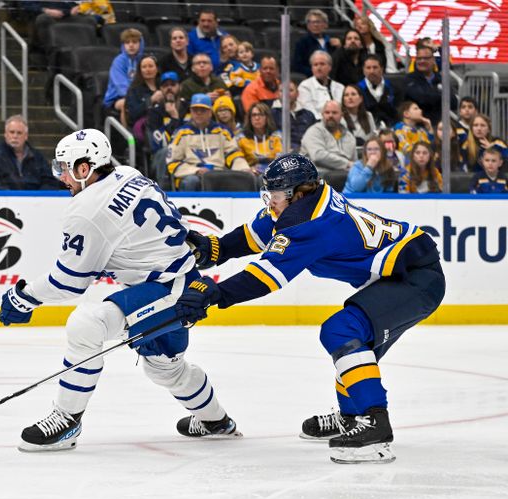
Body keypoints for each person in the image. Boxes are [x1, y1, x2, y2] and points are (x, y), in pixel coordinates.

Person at [175, 153, 445, 464]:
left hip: (417, 280)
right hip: (404, 274)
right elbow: (256, 233)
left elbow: (267, 275)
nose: (270, 202)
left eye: (275, 196)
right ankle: (352, 416)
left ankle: (376, 427)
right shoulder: (307, 203)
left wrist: (216, 293)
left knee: (342, 330)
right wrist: (218, 249)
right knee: (357, 345)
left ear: (295, 194)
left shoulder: (311, 223)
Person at [0, 127, 239, 452]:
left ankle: (66, 421)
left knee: (86, 326)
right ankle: (217, 422)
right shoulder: (128, 173)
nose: (61, 178)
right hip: (181, 282)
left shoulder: (86, 209)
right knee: (165, 369)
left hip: (167, 289)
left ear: (85, 168)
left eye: (65, 168)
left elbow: (69, 282)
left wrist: (23, 297)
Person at [166, 93, 250, 191]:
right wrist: (196, 170)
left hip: (219, 173)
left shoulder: (222, 131)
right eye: (195, 110)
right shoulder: (181, 133)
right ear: (191, 112)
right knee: (191, 181)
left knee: (245, 178)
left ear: (210, 112)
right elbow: (172, 162)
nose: (199, 113)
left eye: (203, 110)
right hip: (191, 174)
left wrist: (244, 169)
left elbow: (234, 154)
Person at [0, 114, 60, 190]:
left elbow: (50, 181)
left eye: (19, 133)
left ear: (26, 136)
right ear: (5, 134)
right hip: (4, 200)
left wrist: (39, 197)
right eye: (12, 132)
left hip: (35, 200)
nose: (15, 136)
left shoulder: (37, 156)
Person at [145, 71, 184, 187]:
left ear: (179, 87)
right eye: (165, 86)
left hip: (188, 152)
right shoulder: (155, 112)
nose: (169, 88)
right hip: (161, 155)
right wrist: (174, 118)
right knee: (168, 150)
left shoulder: (188, 107)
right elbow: (161, 142)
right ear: (160, 89)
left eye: (173, 85)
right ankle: (162, 190)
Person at [405, 44, 456, 125]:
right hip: (417, 126)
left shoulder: (441, 79)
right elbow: (422, 99)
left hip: (439, 126)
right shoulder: (409, 79)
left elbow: (453, 102)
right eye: (419, 58)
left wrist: (433, 94)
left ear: (433, 60)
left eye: (426, 58)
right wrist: (441, 94)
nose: (422, 61)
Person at [300, 100, 356, 172]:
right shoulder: (314, 131)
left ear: (342, 115)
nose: (330, 115)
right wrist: (346, 163)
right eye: (327, 112)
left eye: (334, 113)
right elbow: (318, 156)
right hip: (317, 176)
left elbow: (354, 162)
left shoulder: (349, 136)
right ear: (322, 114)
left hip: (343, 175)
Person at [103, 28, 144, 126]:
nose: (131, 45)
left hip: (138, 96)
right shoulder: (119, 61)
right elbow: (121, 87)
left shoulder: (143, 60)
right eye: (127, 42)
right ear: (123, 45)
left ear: (140, 44)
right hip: (117, 98)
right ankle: (127, 136)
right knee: (126, 104)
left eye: (134, 42)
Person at [237, 102, 283, 175]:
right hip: (249, 175)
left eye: (261, 115)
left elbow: (280, 158)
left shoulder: (277, 136)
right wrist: (247, 169)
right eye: (254, 115)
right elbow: (238, 159)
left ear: (267, 117)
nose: (257, 118)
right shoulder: (241, 138)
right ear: (250, 118)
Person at [297, 50, 344, 120]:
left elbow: (344, 110)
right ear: (312, 68)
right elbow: (309, 112)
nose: (319, 68)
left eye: (322, 64)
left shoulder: (340, 87)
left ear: (330, 67)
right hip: (316, 124)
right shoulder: (305, 86)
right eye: (315, 65)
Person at [292, 9, 340, 77]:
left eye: (318, 22)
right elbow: (297, 65)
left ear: (325, 25)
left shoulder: (332, 42)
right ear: (308, 26)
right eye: (312, 22)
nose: (315, 25)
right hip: (311, 78)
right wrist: (316, 72)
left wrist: (340, 48)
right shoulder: (302, 42)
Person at [271, 80, 316, 150]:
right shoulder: (271, 114)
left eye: (290, 90)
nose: (286, 94)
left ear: (297, 94)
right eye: (282, 91)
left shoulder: (309, 115)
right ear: (277, 94)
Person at [358, 54, 400, 127]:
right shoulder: (357, 90)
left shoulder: (393, 88)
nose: (372, 71)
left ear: (382, 69)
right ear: (363, 70)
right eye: (368, 68)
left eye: (375, 67)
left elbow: (398, 113)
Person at [124, 54, 162, 134]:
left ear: (157, 69)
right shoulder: (134, 90)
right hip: (143, 126)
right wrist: (151, 100)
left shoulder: (163, 86)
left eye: (151, 66)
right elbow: (133, 114)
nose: (148, 69)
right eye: (144, 67)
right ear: (140, 70)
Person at [187, 9, 225, 75]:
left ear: (216, 22)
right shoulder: (190, 38)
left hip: (226, 75)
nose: (206, 24)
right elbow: (189, 62)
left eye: (209, 21)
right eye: (203, 21)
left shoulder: (224, 36)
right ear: (198, 21)